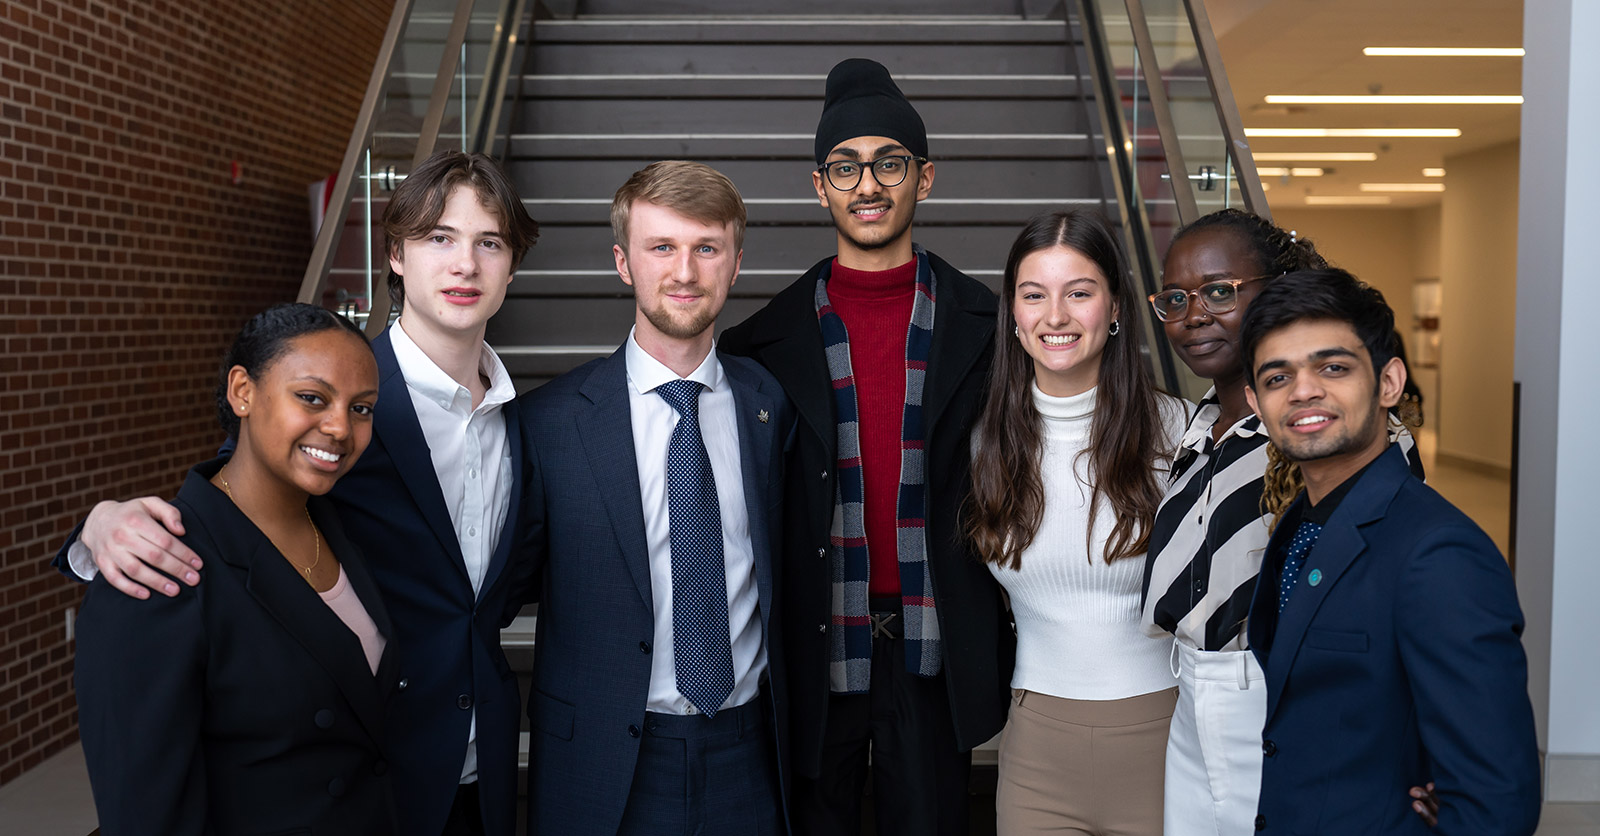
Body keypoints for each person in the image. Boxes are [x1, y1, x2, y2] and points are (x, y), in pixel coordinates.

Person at [57, 150, 540, 836]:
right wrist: (99, 526)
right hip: (369, 776)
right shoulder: (340, 398)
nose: (465, 264)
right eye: (440, 237)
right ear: (396, 255)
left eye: (488, 243)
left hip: (481, 774)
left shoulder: (528, 423)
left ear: (511, 266)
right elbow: (235, 496)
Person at [720, 58, 1012, 835]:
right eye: (846, 167)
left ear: (925, 178)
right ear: (820, 187)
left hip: (936, 645)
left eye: (890, 163)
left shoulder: (991, 329)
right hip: (814, 645)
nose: (868, 185)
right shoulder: (759, 345)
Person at [511, 161, 791, 836]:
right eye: (661, 247)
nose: (684, 272)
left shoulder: (769, 405)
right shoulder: (550, 423)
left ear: (736, 263)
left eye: (706, 248)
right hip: (604, 761)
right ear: (623, 263)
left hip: (749, 753)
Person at [1138, 210, 1426, 835]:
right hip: (1189, 698)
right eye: (1175, 300)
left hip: (1281, 695)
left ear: (1278, 290)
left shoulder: (1325, 426)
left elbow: (1396, 585)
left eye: (1219, 292)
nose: (1193, 316)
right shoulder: (1195, 427)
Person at [1238, 268, 1541, 834]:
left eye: (1333, 367)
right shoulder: (1300, 522)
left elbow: (1497, 799)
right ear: (1256, 402)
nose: (1303, 391)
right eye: (1278, 377)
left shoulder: (1439, 553)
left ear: (1389, 382)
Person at [75, 304, 397, 835]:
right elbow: (148, 816)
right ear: (242, 392)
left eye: (361, 408)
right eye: (312, 398)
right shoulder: (157, 572)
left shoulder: (344, 526)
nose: (341, 427)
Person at [964, 210, 1188, 835]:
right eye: (1034, 295)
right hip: (1035, 744)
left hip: (1164, 734)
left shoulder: (1180, 434)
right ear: (1013, 313)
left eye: (1079, 293)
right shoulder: (983, 444)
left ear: (1114, 307)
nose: (1055, 316)